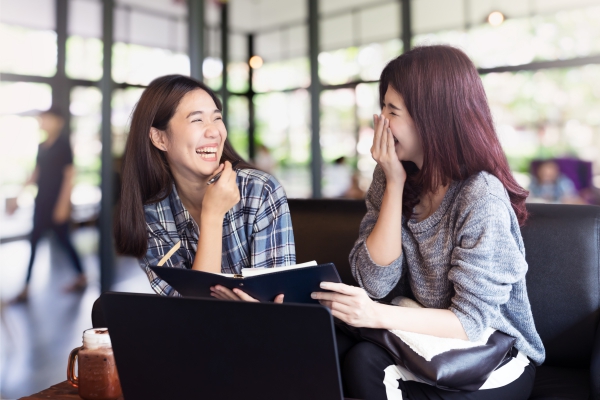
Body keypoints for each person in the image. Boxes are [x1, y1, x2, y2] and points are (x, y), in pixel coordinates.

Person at [312, 45, 545, 399]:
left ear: (432, 117)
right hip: (423, 341)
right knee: (337, 350)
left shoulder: (480, 196)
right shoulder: (393, 174)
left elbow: (468, 324)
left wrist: (373, 315)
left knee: (363, 363)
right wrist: (393, 182)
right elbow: (375, 283)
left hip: (491, 359)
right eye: (383, 109)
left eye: (393, 111)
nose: (382, 123)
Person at [114, 75, 295, 302]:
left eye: (217, 118)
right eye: (197, 120)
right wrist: (212, 215)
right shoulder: (151, 216)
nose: (213, 132)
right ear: (160, 138)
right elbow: (193, 313)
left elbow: (278, 308)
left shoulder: (260, 191)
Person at [8, 108, 86, 302]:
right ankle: (26, 287)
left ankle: (81, 277)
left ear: (57, 122)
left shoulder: (63, 145)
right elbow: (36, 173)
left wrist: (63, 205)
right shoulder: (42, 145)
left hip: (56, 202)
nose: (42, 122)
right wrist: (18, 197)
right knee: (34, 242)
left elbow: (69, 177)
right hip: (41, 202)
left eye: (46, 119)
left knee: (65, 241)